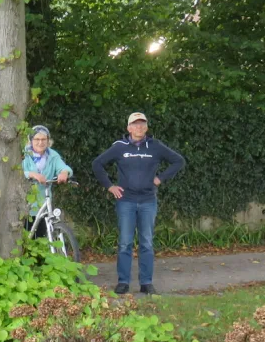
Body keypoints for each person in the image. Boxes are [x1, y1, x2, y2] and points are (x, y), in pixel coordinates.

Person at [90, 112, 185, 295]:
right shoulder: (119, 147)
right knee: (125, 243)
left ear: (146, 127)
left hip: (148, 201)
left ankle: (146, 283)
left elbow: (178, 161)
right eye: (135, 124)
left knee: (147, 243)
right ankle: (123, 282)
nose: (139, 127)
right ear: (129, 128)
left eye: (142, 124)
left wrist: (160, 178)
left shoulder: (155, 146)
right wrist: (110, 186)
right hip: (126, 201)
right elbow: (97, 164)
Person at [21, 124, 73, 215]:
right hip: (23, 202)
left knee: (44, 227)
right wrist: (33, 174)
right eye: (37, 139)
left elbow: (63, 167)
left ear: (48, 140)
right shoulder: (23, 154)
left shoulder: (53, 155)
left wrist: (64, 172)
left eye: (43, 139)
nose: (40, 143)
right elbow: (16, 173)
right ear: (31, 141)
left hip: (44, 203)